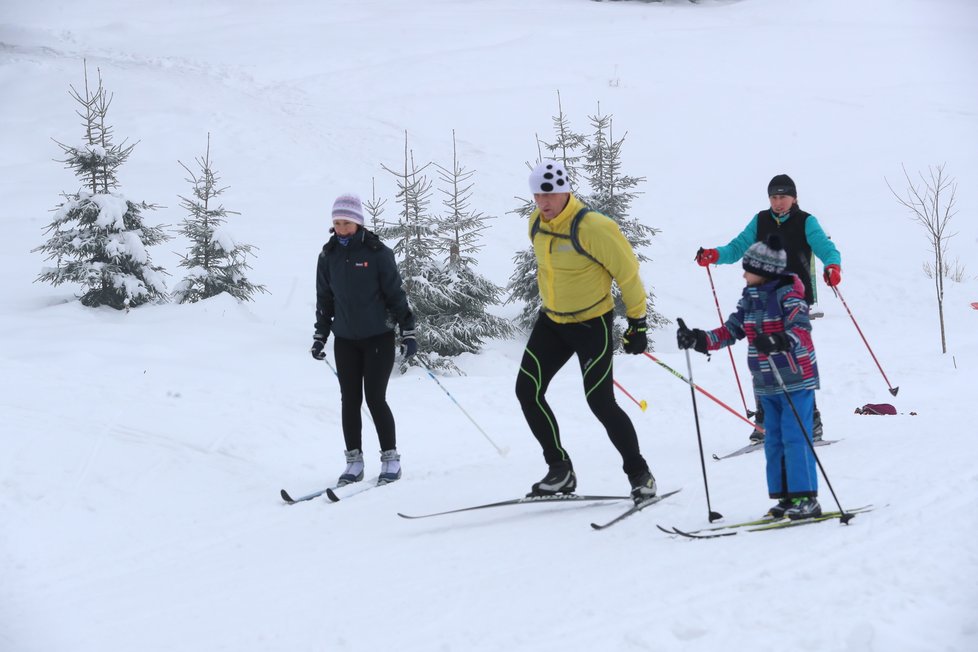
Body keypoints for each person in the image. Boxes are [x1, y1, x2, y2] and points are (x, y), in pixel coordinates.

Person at [515, 160, 657, 505]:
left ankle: (641, 476)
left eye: (550, 194)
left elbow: (628, 274)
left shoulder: (593, 227)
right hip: (552, 322)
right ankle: (560, 469)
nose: (544, 202)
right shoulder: (536, 223)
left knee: (600, 402)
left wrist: (638, 323)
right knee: (527, 391)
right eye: (538, 195)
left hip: (591, 324)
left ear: (566, 191)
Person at [678, 234, 822, 520]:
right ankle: (784, 498)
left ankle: (806, 498)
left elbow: (801, 329)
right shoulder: (750, 298)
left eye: (749, 269)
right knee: (774, 440)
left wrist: (781, 340)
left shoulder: (790, 294)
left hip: (795, 378)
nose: (743, 273)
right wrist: (697, 339)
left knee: (796, 438)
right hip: (767, 384)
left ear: (765, 271)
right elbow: (730, 331)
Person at [695, 174, 841, 443]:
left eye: (783, 197)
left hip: (794, 295)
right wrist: (715, 255)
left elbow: (826, 249)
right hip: (762, 294)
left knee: (791, 357)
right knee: (761, 355)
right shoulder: (761, 219)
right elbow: (738, 247)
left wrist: (832, 266)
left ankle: (811, 418)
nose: (778, 202)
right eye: (773, 197)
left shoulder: (806, 221)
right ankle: (765, 419)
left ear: (794, 197)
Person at [311, 193, 417, 487]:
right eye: (336, 223)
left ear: (357, 222)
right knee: (350, 400)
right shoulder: (327, 256)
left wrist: (407, 330)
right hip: (345, 339)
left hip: (377, 337)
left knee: (374, 397)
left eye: (345, 222)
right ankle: (354, 463)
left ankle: (391, 459)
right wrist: (321, 335)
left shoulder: (377, 253)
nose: (341, 228)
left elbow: (395, 294)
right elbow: (325, 299)